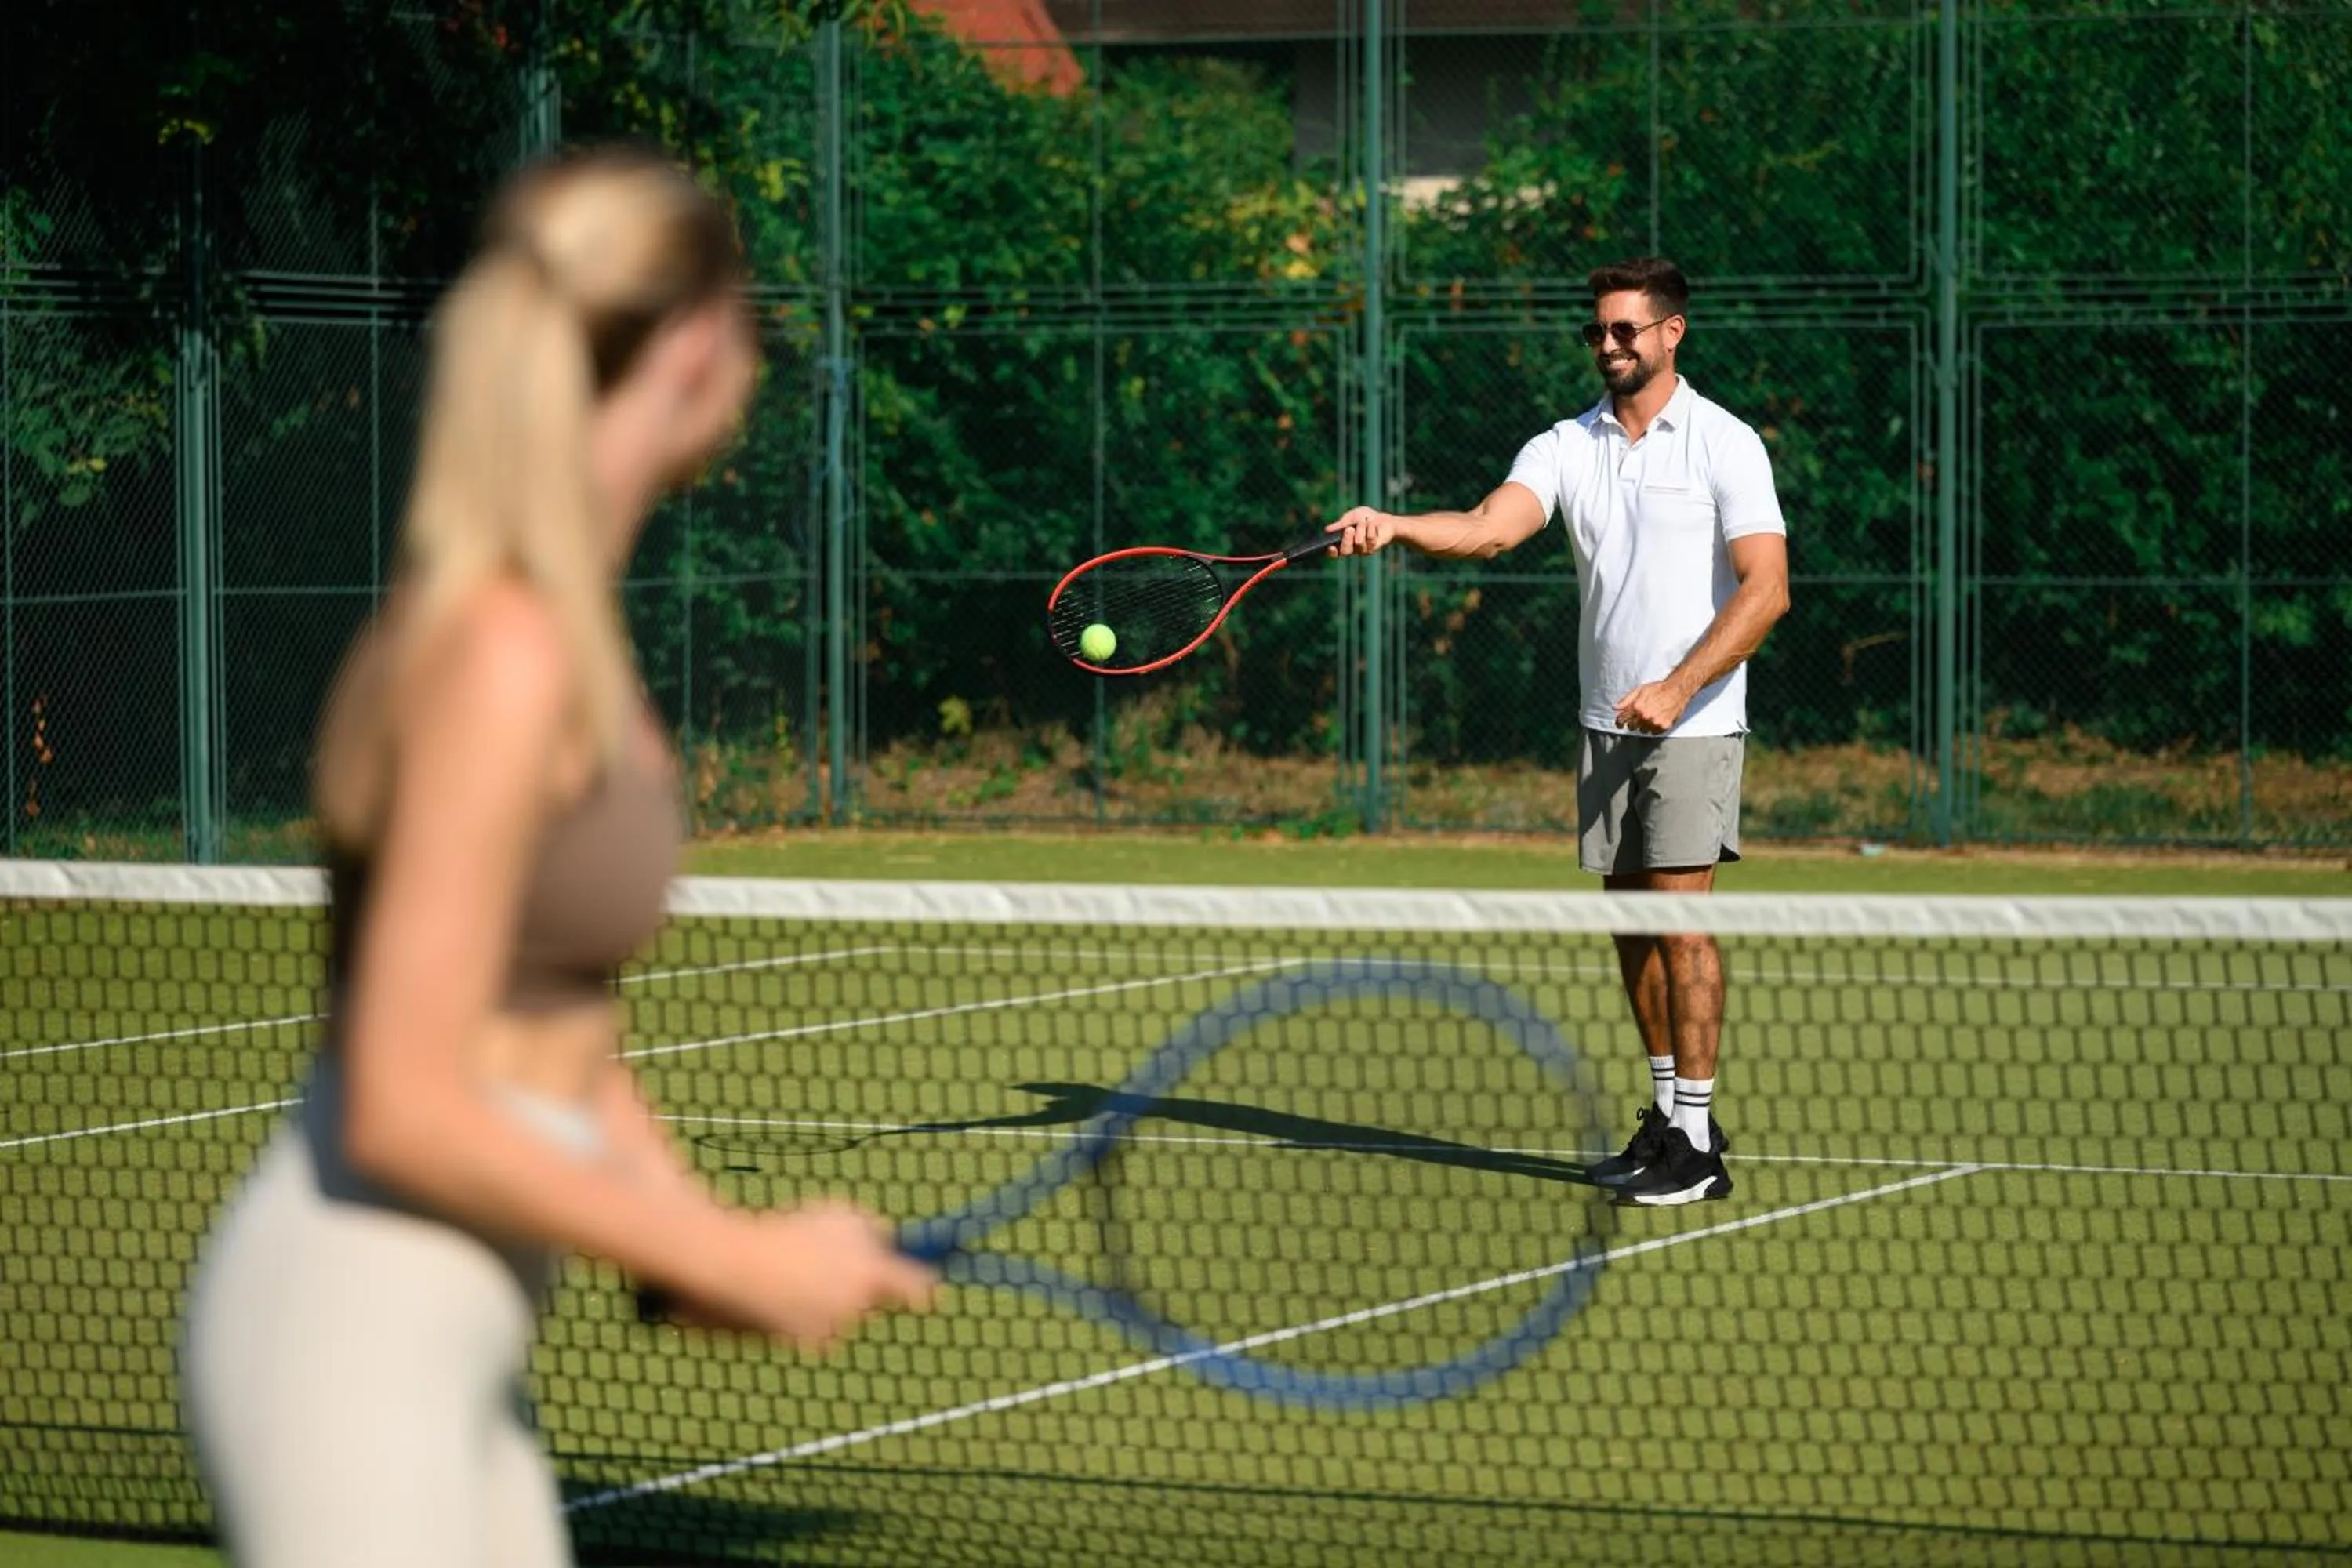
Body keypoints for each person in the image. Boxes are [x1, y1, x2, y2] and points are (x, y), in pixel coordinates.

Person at [179, 146, 935, 1568]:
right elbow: (406, 1097)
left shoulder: (559, 632)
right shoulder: (504, 650)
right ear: (702, 345)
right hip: (350, 1321)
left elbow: (558, 1036)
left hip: (449, 1326)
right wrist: (740, 1262)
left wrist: (681, 1244)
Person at [1325, 256, 1789, 1207]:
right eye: (1599, 331)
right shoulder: (1567, 444)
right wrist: (1397, 524)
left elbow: (1768, 590)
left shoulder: (1724, 442)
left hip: (1694, 727)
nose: (1610, 345)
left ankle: (1699, 1143)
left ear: (1672, 333)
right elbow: (1494, 527)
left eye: (1627, 329)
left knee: (1680, 922)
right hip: (1603, 722)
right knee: (1629, 924)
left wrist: (1678, 686)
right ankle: (1665, 1116)